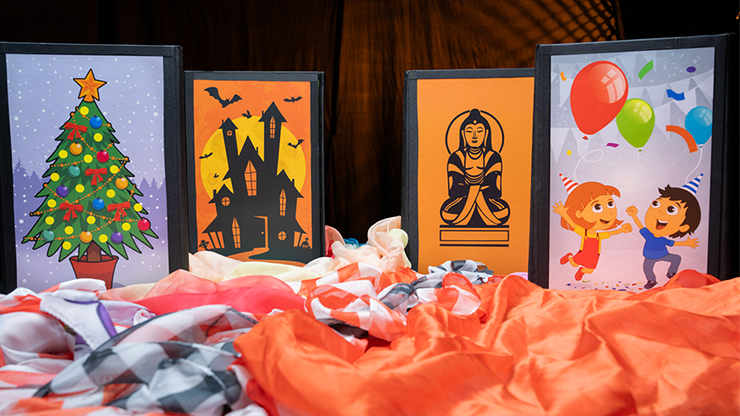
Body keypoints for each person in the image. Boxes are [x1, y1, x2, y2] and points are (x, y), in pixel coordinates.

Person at [626, 180, 701, 289]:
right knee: (647, 268)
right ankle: (651, 280)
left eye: (671, 209)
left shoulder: (662, 239)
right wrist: (634, 215)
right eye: (656, 204)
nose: (660, 212)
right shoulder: (649, 235)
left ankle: (671, 273)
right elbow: (640, 226)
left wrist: (687, 243)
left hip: (663, 254)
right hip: (649, 257)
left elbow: (673, 243)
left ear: (683, 227)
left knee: (676, 258)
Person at [553, 177, 632, 281]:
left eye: (610, 204)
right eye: (597, 207)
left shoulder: (598, 236)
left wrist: (622, 230)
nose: (609, 212)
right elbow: (573, 224)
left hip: (594, 256)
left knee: (590, 270)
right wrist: (564, 214)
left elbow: (610, 233)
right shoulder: (584, 233)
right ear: (579, 213)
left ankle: (581, 271)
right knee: (573, 264)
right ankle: (569, 257)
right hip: (583, 253)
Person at [440, 109, 509, 226]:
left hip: (487, 202)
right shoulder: (456, 157)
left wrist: (473, 192)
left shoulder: (493, 157)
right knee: (446, 212)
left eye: (479, 131)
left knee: (503, 211)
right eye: (469, 131)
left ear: (486, 133)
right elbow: (454, 189)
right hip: (462, 202)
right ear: (463, 134)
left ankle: (467, 217)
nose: (474, 136)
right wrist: (474, 192)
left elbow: (495, 189)